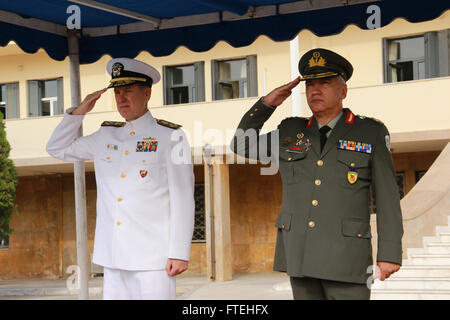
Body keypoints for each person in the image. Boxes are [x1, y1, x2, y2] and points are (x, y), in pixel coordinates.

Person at [231, 48, 403, 300]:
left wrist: (389, 253)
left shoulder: (369, 132)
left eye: (325, 83)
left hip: (347, 259)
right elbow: (240, 144)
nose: (315, 90)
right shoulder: (291, 130)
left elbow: (388, 197)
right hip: (301, 256)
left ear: (342, 91)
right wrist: (267, 104)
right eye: (310, 84)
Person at [46, 58, 195, 300]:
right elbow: (56, 148)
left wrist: (179, 251)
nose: (121, 98)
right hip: (113, 256)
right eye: (117, 92)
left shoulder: (171, 136)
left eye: (128, 91)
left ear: (147, 93)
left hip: (153, 259)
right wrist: (78, 112)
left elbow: (183, 197)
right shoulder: (106, 135)